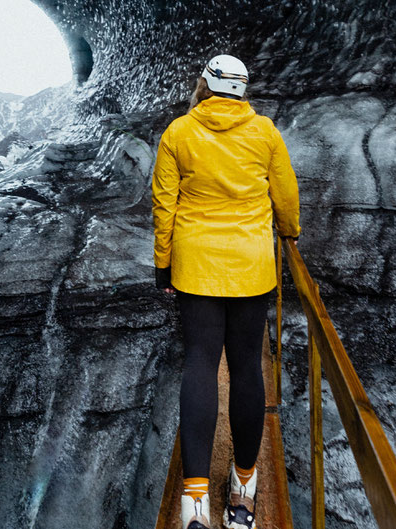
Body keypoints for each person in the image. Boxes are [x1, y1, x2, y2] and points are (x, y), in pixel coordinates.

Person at [151, 54, 301, 529]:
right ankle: (242, 489)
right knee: (246, 370)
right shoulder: (265, 133)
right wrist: (290, 233)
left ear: (205, 85)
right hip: (252, 268)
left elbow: (163, 203)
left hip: (195, 267)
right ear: (242, 90)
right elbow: (286, 195)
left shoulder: (179, 132)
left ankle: (194, 504)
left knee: (199, 362)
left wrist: (163, 262)